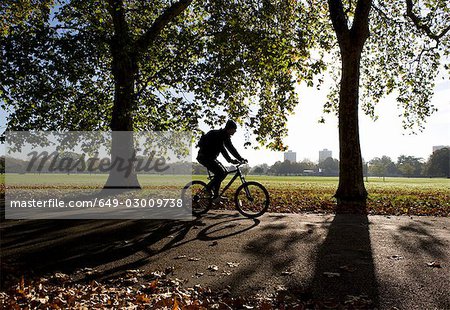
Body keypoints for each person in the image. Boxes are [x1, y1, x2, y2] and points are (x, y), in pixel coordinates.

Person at [197, 120, 246, 200]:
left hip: (211, 157)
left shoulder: (224, 136)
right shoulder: (219, 135)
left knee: (223, 172)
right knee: (220, 173)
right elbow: (224, 149)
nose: (235, 131)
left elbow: (230, 148)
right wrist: (232, 160)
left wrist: (239, 158)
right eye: (234, 129)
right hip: (204, 157)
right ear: (229, 129)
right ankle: (208, 190)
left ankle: (215, 194)